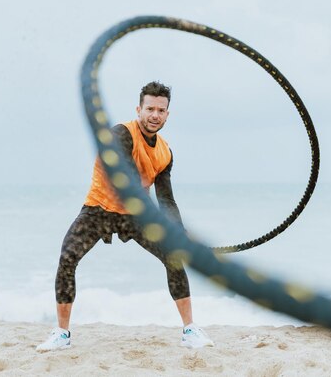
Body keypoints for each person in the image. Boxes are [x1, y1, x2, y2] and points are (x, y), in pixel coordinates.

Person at [36, 81, 214, 351]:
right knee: (67, 258)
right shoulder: (121, 133)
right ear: (139, 109)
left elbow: (166, 197)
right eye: (150, 108)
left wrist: (177, 229)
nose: (155, 115)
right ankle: (62, 333)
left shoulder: (165, 153)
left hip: (134, 215)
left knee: (173, 257)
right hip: (99, 209)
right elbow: (127, 181)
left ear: (167, 114)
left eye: (161, 110)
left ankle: (190, 330)